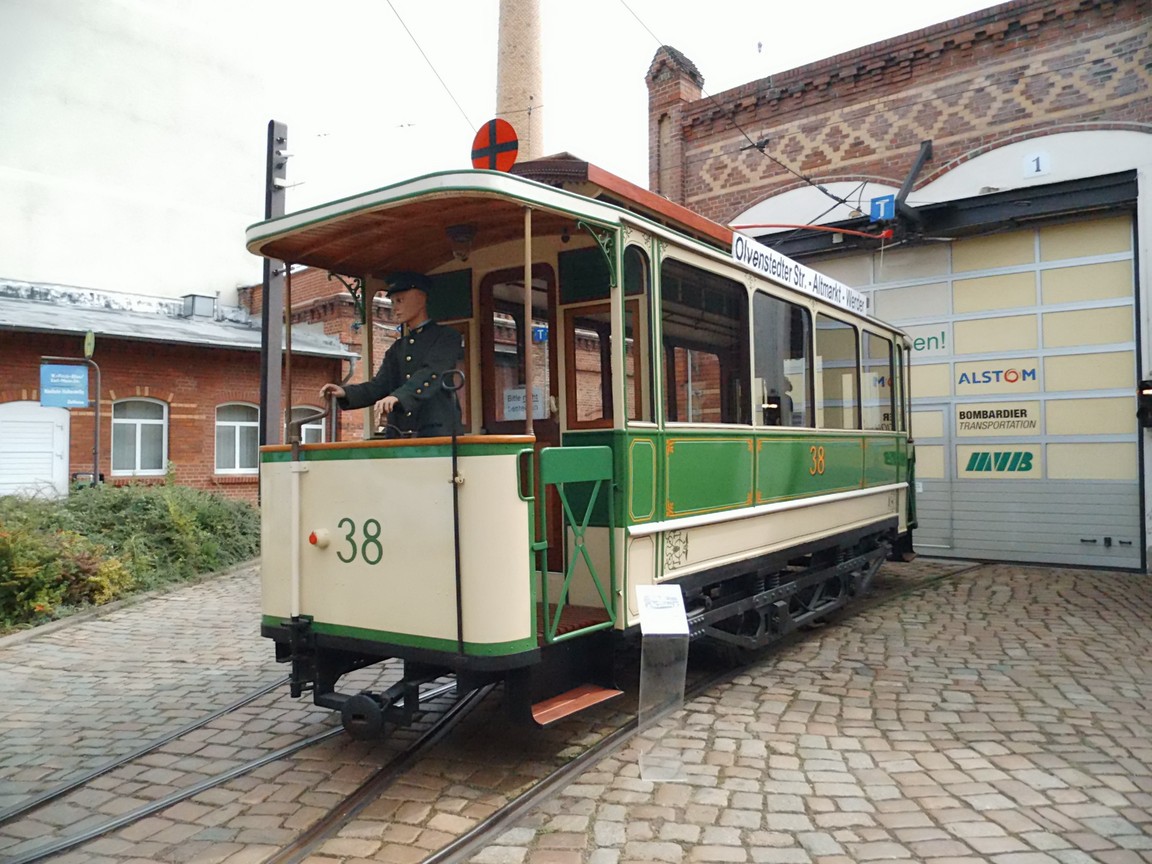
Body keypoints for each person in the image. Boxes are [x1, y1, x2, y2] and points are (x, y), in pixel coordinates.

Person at [320, 271, 463, 438]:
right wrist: (345, 393)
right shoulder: (398, 347)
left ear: (421, 299)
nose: (395, 308)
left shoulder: (447, 337)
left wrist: (398, 397)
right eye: (393, 302)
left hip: (436, 434)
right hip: (400, 433)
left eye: (400, 301)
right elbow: (379, 385)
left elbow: (431, 372)